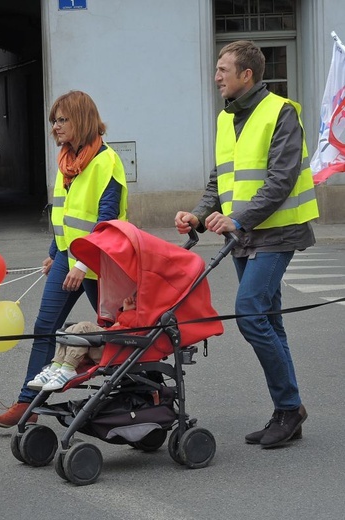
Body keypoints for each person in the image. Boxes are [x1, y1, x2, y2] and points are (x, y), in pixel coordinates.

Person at [174, 40, 319, 449]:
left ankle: (289, 407)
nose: (216, 76)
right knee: (269, 317)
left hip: (277, 233)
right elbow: (219, 182)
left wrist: (237, 219)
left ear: (246, 75)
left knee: (251, 313)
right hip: (243, 235)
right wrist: (199, 215)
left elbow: (281, 181)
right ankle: (289, 411)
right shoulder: (227, 119)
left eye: (223, 69)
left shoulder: (281, 112)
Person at [0, 90, 128, 428]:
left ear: (81, 119)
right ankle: (27, 405)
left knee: (116, 334)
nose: (56, 127)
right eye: (54, 121)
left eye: (62, 120)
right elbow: (64, 215)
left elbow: (108, 222)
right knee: (44, 328)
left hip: (100, 263)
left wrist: (83, 265)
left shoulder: (107, 161)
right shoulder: (66, 161)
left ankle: (140, 396)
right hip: (68, 257)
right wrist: (55, 254)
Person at [27, 295, 137, 391]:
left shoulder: (141, 316)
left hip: (115, 348)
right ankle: (56, 366)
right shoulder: (133, 313)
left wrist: (129, 313)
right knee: (69, 330)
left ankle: (68, 369)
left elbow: (132, 329)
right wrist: (127, 311)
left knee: (83, 328)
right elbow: (119, 325)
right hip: (109, 341)